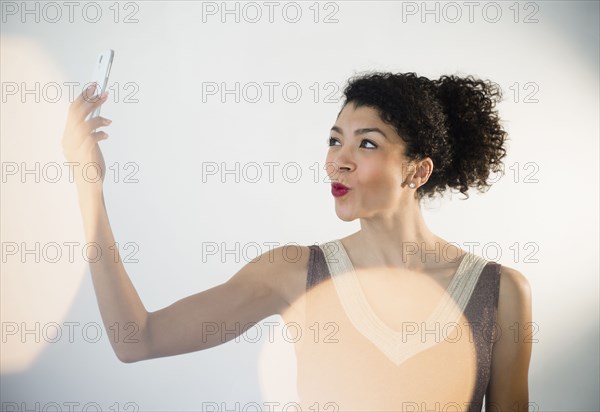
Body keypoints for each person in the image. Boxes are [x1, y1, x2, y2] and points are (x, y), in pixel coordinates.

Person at [62, 71, 532, 411]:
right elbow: (137, 340)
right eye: (334, 140)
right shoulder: (292, 272)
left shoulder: (500, 293)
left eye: (366, 143)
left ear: (418, 170)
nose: (338, 161)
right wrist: (89, 188)